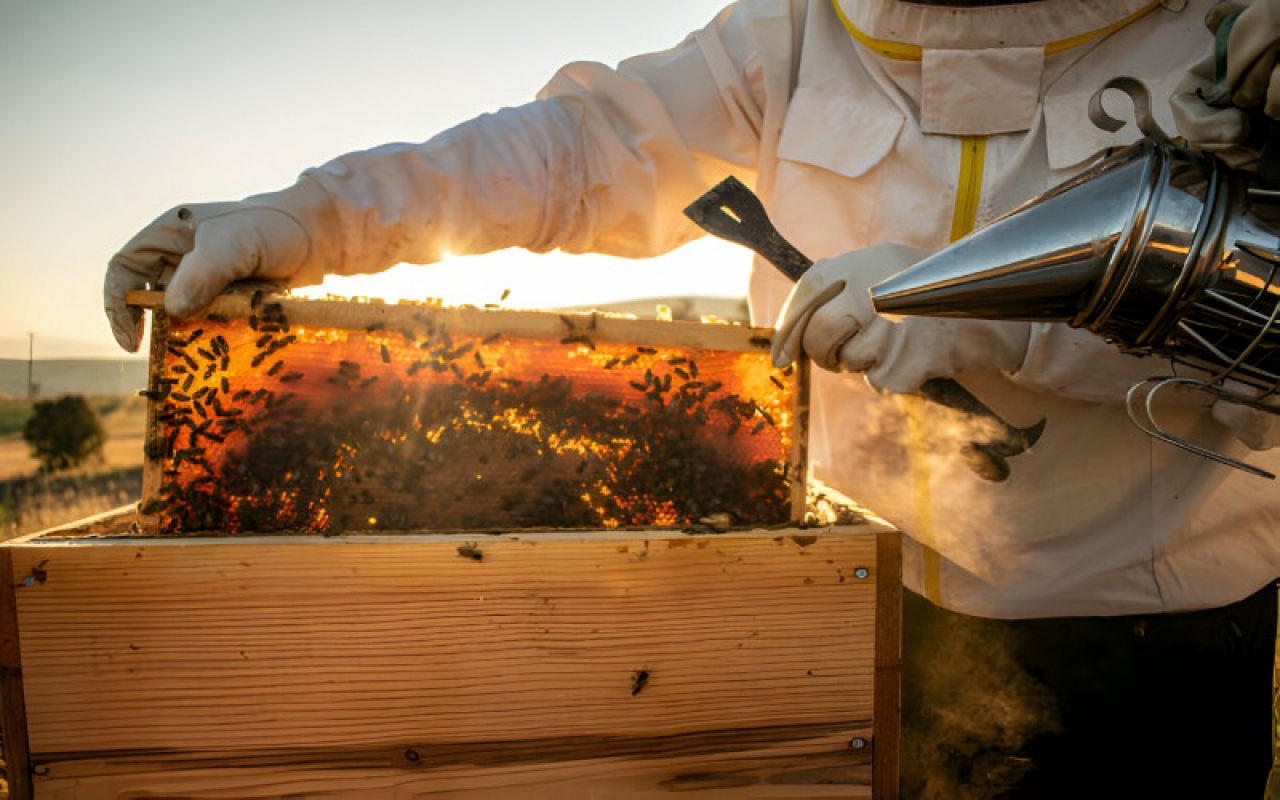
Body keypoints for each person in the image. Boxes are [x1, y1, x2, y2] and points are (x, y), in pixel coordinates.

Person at [106, 0, 1280, 796]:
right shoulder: (799, 30)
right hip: (851, 601)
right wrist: (312, 216)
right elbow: (580, 149)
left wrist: (987, 312)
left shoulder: (1229, 31)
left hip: (1152, 628)